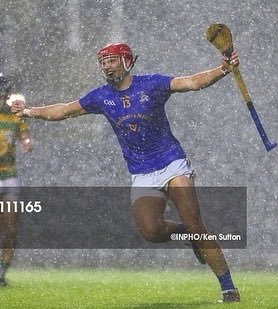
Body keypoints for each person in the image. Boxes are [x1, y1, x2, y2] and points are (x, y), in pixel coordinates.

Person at [12, 43, 240, 302]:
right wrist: (29, 112)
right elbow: (63, 110)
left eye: (112, 60)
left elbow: (190, 82)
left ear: (127, 62)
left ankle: (229, 289)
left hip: (172, 163)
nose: (107, 66)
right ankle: (188, 235)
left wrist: (223, 69)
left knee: (195, 222)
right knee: (151, 231)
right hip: (142, 173)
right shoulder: (101, 97)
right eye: (103, 62)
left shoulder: (152, 84)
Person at [0, 72, 32, 286]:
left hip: (9, 179)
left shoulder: (14, 118)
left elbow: (25, 137)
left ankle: (1, 273)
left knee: (10, 229)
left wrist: (28, 142)